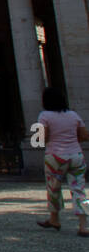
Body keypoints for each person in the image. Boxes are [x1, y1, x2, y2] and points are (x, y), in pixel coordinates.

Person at [35, 88, 88, 236]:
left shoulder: (44, 116)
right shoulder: (73, 115)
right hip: (76, 155)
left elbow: (41, 138)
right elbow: (84, 135)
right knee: (80, 190)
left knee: (53, 189)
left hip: (55, 156)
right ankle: (84, 225)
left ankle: (55, 218)